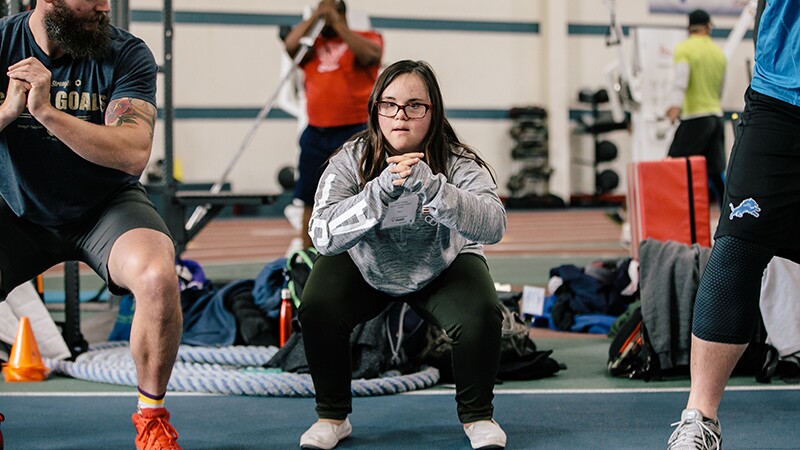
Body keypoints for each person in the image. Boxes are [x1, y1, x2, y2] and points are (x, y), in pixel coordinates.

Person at [297, 59, 508, 450]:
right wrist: (376, 195)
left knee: (482, 311)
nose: (401, 116)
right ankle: (332, 416)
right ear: (375, 109)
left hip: (442, 264)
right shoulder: (350, 159)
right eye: (389, 104)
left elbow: (494, 225)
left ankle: (479, 417)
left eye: (415, 105)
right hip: (366, 265)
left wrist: (434, 189)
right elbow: (321, 234)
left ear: (433, 111)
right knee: (317, 304)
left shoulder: (459, 160)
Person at [0, 2, 183, 449]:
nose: (104, 5)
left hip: (105, 206)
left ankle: (152, 419)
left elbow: (134, 151)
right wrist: (8, 110)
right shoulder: (3, 43)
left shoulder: (126, 53)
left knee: (158, 276)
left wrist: (47, 112)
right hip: (16, 206)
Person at [666, 1, 799, 449]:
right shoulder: (711, 52)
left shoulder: (689, 50)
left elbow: (679, 86)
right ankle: (699, 418)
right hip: (781, 97)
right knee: (737, 246)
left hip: (699, 113)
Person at [283, 0, 383, 250]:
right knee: (309, 198)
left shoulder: (366, 38)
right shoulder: (312, 47)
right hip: (316, 132)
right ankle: (308, 257)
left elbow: (371, 55)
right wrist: (316, 16)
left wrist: (338, 24)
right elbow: (290, 46)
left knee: (357, 193)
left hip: (354, 131)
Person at [665, 9, 727, 209]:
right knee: (716, 172)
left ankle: (671, 210)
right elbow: (719, 89)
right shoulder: (719, 54)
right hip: (716, 117)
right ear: (709, 27)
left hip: (695, 118)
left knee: (673, 165)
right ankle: (731, 214)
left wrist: (675, 107)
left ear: (689, 27)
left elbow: (681, 81)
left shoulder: (685, 49)